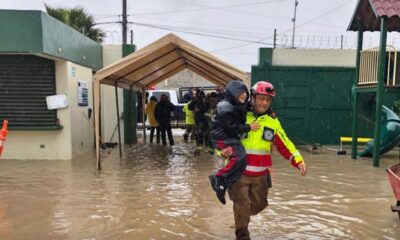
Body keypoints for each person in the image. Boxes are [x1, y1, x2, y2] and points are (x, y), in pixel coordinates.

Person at [220, 81, 307, 240]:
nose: (264, 102)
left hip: (261, 175)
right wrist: (222, 151)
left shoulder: (272, 122)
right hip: (238, 172)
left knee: (261, 204)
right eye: (261, 98)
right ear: (252, 98)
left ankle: (242, 216)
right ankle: (242, 232)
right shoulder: (238, 116)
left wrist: (298, 159)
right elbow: (220, 135)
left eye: (268, 99)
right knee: (242, 203)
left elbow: (284, 143)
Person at [208, 80, 260, 205]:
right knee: (240, 156)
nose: (244, 96)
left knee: (242, 161)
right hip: (222, 138)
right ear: (232, 94)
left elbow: (246, 106)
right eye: (240, 93)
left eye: (245, 93)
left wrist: (269, 112)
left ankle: (223, 184)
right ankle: (219, 177)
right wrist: (249, 127)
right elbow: (233, 128)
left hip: (227, 137)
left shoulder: (237, 103)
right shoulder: (226, 108)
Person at [188, 90, 209, 155]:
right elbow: (190, 107)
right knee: (203, 136)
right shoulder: (202, 101)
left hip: (202, 121)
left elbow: (190, 107)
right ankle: (205, 150)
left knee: (201, 136)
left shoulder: (205, 102)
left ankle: (201, 150)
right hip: (203, 122)